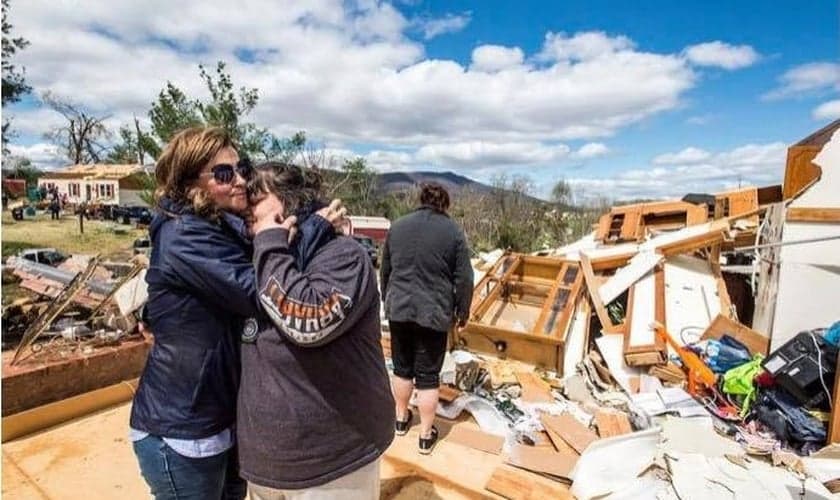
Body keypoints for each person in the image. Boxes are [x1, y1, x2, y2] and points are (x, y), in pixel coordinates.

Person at [130, 128, 343, 500]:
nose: (241, 180)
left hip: (219, 418)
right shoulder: (185, 235)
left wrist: (299, 224)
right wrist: (317, 228)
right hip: (183, 427)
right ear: (190, 183)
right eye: (224, 174)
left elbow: (266, 253)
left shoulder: (218, 224)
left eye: (241, 168)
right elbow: (263, 292)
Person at [238, 162, 395, 499]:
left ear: (290, 202)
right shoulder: (253, 255)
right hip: (265, 464)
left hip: (333, 467)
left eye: (257, 197)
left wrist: (270, 241)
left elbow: (308, 320)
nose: (246, 206)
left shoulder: (343, 256)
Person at [380, 182, 473, 454]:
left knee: (402, 369)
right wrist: (462, 311)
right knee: (428, 376)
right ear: (444, 204)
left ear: (421, 200)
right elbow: (465, 278)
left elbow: (385, 269)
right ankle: (425, 435)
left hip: (399, 309)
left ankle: (400, 419)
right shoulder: (452, 232)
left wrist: (388, 300)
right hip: (433, 313)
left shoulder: (398, 226)